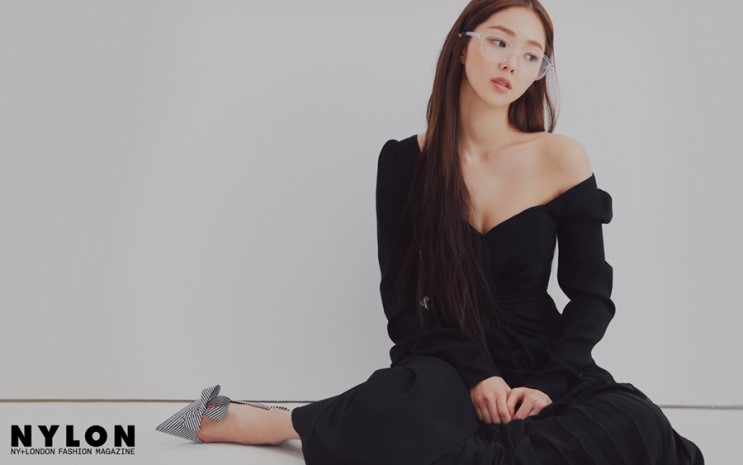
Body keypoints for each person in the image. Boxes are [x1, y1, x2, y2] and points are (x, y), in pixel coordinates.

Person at [155, 1, 705, 463]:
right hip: (447, 356)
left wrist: (549, 384)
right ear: (462, 45)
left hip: (544, 362)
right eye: (499, 42)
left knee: (636, 426)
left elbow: (591, 297)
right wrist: (477, 375)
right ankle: (278, 423)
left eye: (531, 55)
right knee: (402, 410)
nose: (511, 63)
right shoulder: (404, 162)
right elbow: (401, 303)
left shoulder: (561, 157)